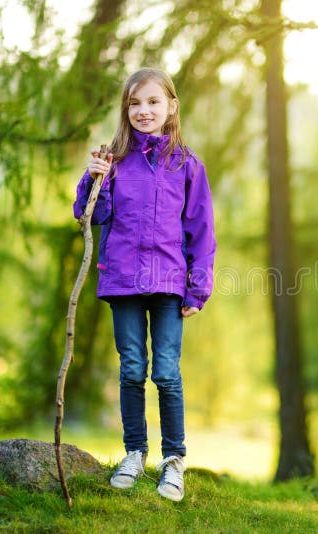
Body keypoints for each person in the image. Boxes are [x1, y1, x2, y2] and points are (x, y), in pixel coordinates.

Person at [73, 67, 216, 501]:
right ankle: (134, 453)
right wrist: (92, 177)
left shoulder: (186, 164)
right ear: (126, 110)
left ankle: (173, 461)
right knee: (132, 369)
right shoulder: (113, 162)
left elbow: (201, 230)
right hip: (122, 281)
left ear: (172, 106)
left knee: (167, 373)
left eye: (153, 102)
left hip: (170, 282)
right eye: (135, 103)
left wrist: (198, 287)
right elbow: (90, 214)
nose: (143, 111)